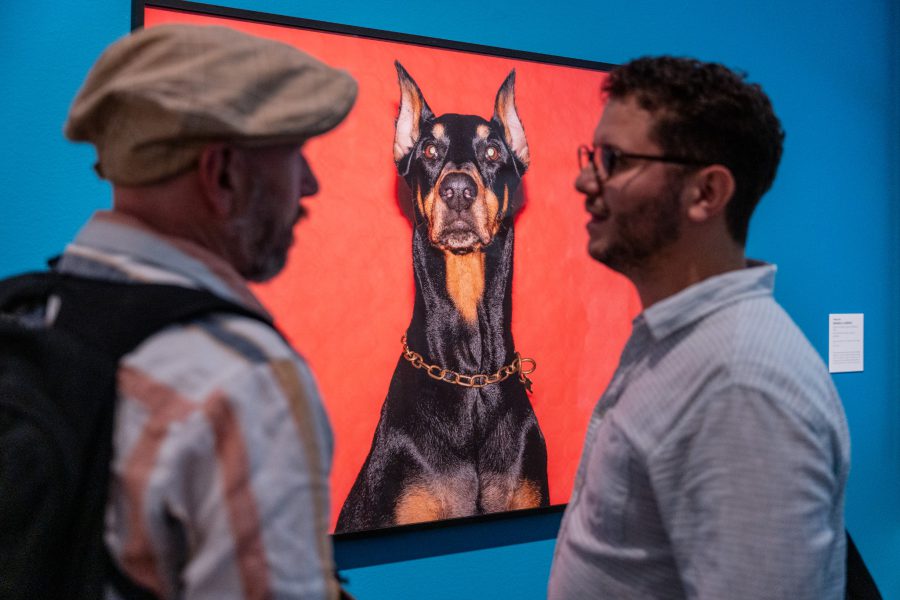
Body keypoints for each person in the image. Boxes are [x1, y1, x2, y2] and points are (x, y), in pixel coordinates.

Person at [59, 24, 357, 598]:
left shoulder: (32, 318)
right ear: (222, 174)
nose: (311, 184)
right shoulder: (243, 381)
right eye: (296, 154)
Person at [548, 56, 850, 599]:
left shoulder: (741, 384)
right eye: (594, 155)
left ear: (706, 194)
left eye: (614, 159)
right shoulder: (679, 345)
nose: (584, 179)